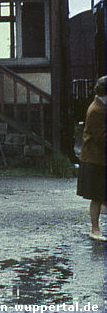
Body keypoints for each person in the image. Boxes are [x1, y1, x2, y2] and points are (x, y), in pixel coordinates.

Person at [77, 76, 106, 242]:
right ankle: (95, 229)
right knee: (97, 196)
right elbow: (102, 137)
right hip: (95, 159)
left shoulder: (102, 107)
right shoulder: (96, 110)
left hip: (100, 158)